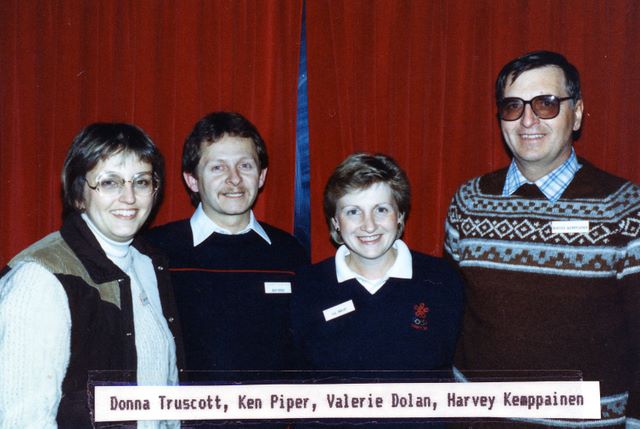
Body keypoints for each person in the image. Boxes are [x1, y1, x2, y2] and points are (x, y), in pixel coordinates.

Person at [444, 50, 640, 427]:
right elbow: (452, 320)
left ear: (576, 113)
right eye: (513, 106)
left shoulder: (626, 208)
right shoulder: (469, 202)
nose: (528, 120)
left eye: (546, 103)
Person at [0, 123, 183, 428]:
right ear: (78, 195)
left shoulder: (149, 264)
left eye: (141, 182)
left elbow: (166, 394)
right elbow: (22, 420)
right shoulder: (40, 279)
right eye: (110, 182)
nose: (129, 197)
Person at [145, 111, 309, 372]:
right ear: (192, 180)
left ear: (262, 176)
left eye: (245, 166)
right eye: (218, 167)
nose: (234, 179)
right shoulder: (156, 251)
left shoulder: (289, 252)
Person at [292, 153, 463, 371]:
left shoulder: (442, 280)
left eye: (381, 210)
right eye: (353, 212)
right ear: (335, 222)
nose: (369, 226)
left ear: (400, 214)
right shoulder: (307, 286)